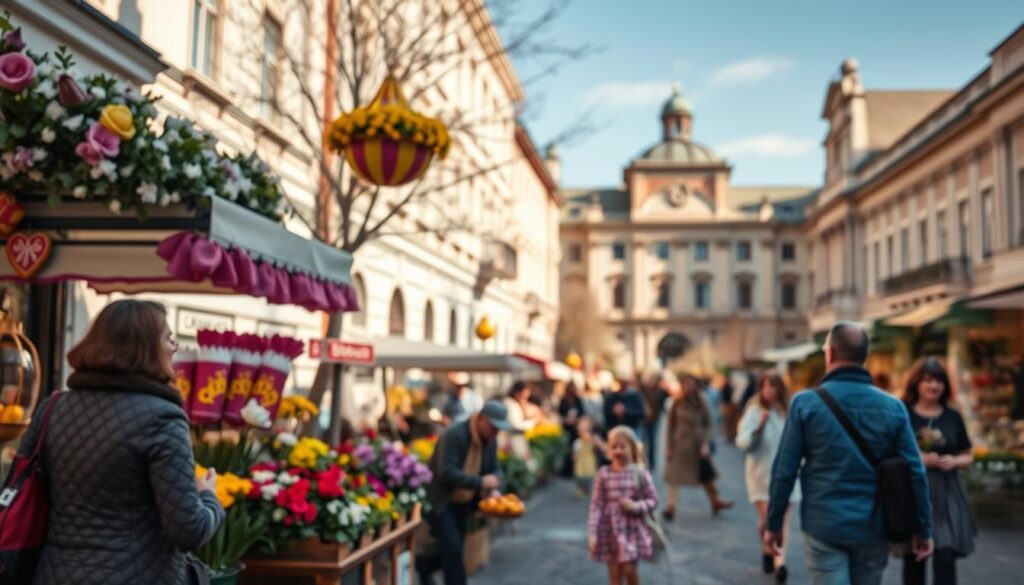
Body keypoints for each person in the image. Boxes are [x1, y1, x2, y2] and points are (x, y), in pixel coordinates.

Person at [9, 300, 224, 584]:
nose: (175, 347)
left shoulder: (53, 408)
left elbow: (21, 484)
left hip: (52, 573)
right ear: (143, 348)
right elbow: (189, 531)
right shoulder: (164, 418)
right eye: (169, 338)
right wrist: (209, 496)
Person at [765, 321, 934, 585]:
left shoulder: (805, 404)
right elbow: (916, 472)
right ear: (864, 357)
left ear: (829, 354)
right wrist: (923, 528)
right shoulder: (893, 407)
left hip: (824, 523)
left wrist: (773, 524)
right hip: (874, 525)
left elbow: (784, 471)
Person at [417, 400, 510, 585]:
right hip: (441, 500)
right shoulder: (455, 434)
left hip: (464, 501)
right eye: (493, 427)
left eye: (498, 429)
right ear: (481, 419)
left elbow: (495, 469)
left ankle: (422, 566)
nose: (496, 432)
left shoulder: (489, 439)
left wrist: (493, 486)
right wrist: (480, 482)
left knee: (453, 548)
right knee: (453, 548)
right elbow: (446, 472)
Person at [901, 358, 976, 585]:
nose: (934, 386)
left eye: (939, 381)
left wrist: (954, 461)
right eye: (928, 380)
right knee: (914, 561)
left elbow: (968, 455)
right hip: (913, 494)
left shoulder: (953, 416)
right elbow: (888, 453)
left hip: (947, 494)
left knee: (945, 559)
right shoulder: (903, 413)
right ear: (916, 383)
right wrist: (918, 460)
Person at [737, 373, 800, 583]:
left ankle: (779, 563)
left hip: (787, 474)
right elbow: (742, 441)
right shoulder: (754, 410)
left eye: (772, 387)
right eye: (765, 387)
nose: (768, 391)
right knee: (766, 519)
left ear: (780, 389)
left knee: (782, 521)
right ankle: (767, 548)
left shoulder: (789, 411)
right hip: (760, 474)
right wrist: (759, 427)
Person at [588, 425, 659, 585]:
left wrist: (636, 506)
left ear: (632, 448)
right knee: (614, 574)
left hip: (631, 530)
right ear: (608, 449)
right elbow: (596, 506)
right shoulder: (604, 474)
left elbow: (653, 500)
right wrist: (593, 533)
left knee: (629, 569)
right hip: (609, 531)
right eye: (614, 447)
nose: (618, 451)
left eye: (622, 446)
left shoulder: (639, 473)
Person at [662, 374, 733, 520]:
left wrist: (706, 443)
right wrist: (669, 446)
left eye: (691, 383)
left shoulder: (702, 401)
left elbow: (708, 424)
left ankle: (715, 501)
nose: (688, 387)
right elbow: (670, 425)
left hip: (698, 444)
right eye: (685, 384)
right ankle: (671, 506)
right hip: (680, 445)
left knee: (706, 474)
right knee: (673, 476)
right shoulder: (677, 402)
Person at [638, 372, 668, 472]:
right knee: (642, 441)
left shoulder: (661, 391)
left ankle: (652, 462)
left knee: (652, 441)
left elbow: (664, 403)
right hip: (643, 420)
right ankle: (642, 461)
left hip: (655, 419)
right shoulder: (642, 391)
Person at [503, 380, 539, 459]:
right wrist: (532, 422)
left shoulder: (514, 404)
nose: (524, 400)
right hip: (513, 440)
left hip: (518, 439)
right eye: (523, 396)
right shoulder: (511, 404)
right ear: (516, 393)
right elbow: (516, 425)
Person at [559, 381, 585, 476]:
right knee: (567, 449)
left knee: (575, 448)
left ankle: (574, 469)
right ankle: (566, 470)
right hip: (566, 428)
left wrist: (576, 420)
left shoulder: (577, 400)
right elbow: (560, 413)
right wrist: (566, 420)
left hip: (575, 428)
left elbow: (582, 413)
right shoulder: (564, 400)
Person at [573, 415, 603, 496]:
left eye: (585, 430)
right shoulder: (578, 442)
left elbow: (600, 448)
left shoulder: (594, 440)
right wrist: (575, 457)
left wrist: (596, 443)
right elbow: (575, 453)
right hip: (581, 462)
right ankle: (581, 488)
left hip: (590, 462)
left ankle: (592, 489)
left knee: (591, 477)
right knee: (580, 477)